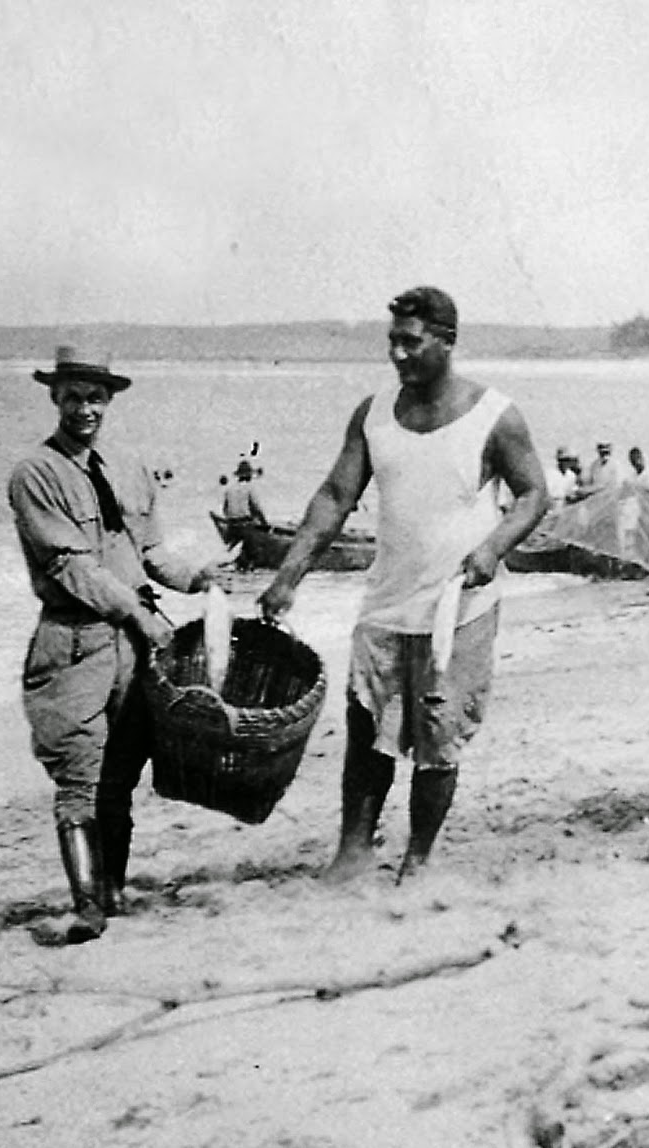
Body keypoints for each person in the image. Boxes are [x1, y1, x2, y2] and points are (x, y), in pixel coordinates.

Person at [259, 286, 549, 883]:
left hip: (459, 607)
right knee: (366, 728)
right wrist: (289, 576)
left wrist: (492, 549)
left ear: (447, 341)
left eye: (411, 342)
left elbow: (533, 494)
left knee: (438, 738)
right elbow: (335, 496)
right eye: (392, 341)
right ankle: (353, 851)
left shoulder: (495, 415)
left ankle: (418, 858)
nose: (398, 354)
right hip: (385, 602)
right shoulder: (372, 413)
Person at [10, 346, 225, 945]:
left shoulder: (129, 468)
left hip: (133, 645)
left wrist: (199, 579)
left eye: (95, 398)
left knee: (121, 772)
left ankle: (112, 890)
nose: (85, 408)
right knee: (79, 772)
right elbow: (70, 565)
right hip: (74, 645)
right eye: (73, 397)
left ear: (109, 402)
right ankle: (87, 905)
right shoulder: (35, 474)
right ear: (55, 398)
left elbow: (150, 552)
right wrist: (140, 614)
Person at [220, 457, 269, 528]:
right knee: (255, 518)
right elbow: (256, 508)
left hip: (231, 522)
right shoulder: (249, 488)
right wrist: (265, 523)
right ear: (249, 475)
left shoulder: (230, 489)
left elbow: (225, 510)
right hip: (245, 522)